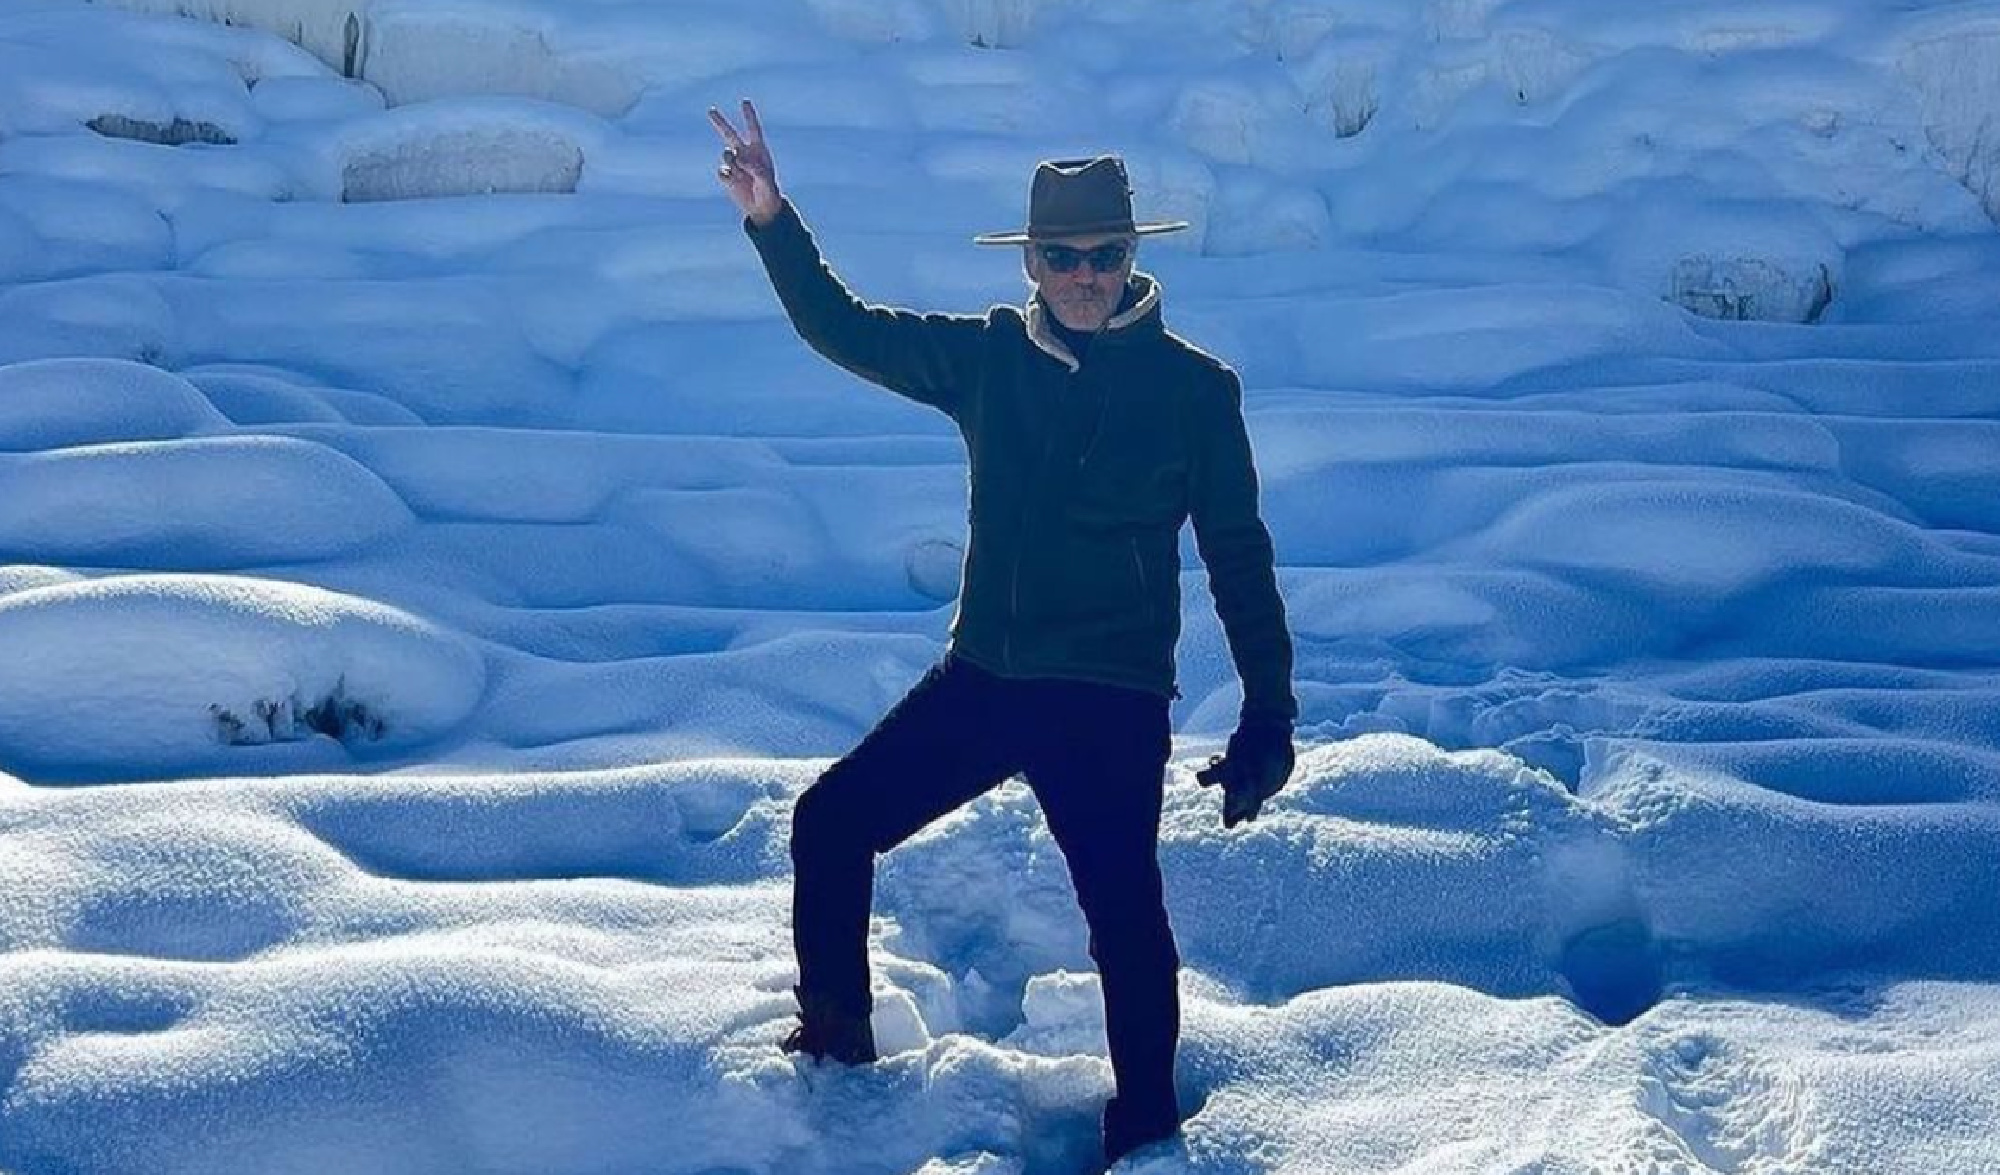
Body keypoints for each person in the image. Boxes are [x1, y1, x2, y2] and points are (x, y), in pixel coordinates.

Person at [709, 99, 1298, 1167]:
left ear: (1132, 256)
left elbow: (1239, 562)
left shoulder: (1193, 393)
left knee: (1125, 918)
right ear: (1030, 262)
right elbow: (843, 327)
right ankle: (835, 1053)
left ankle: (1146, 1129)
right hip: (984, 679)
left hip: (1109, 699)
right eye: (1062, 256)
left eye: (1104, 254)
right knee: (829, 824)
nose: (1084, 276)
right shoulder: (987, 360)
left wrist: (1268, 713)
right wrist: (771, 219)